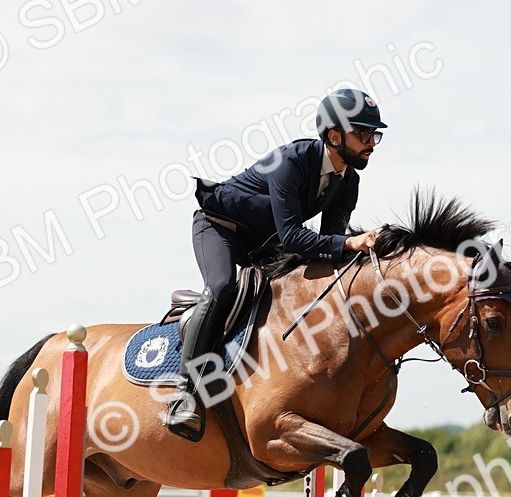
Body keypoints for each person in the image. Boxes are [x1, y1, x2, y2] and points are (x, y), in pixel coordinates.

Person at [165, 87, 388, 441]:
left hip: (265, 243)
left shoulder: (349, 182)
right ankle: (185, 393)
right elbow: (294, 238)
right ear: (334, 135)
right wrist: (347, 242)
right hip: (220, 229)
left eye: (373, 135)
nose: (371, 143)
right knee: (222, 288)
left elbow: (328, 247)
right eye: (362, 133)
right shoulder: (291, 162)